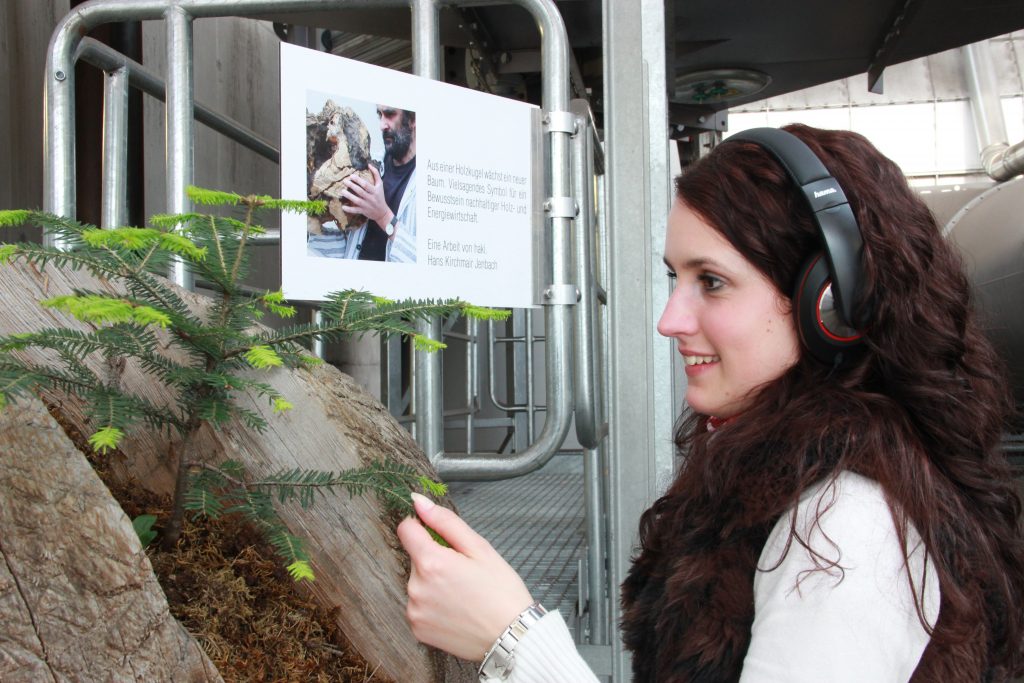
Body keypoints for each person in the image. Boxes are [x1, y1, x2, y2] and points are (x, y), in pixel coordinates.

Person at [397, 124, 1024, 682]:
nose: (671, 320)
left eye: (713, 282)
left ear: (832, 304)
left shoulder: (844, 526)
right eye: (677, 278)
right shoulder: (778, 463)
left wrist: (513, 643)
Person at [341, 104, 417, 263]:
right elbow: (345, 244)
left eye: (390, 114)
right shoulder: (367, 166)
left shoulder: (431, 180)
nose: (382, 125)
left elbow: (430, 266)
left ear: (412, 119)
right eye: (379, 115)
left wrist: (383, 216)